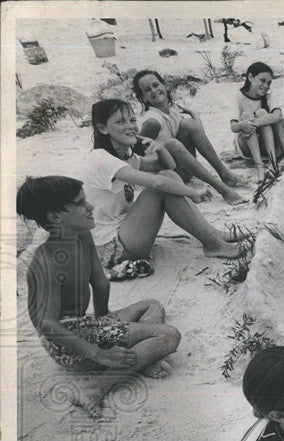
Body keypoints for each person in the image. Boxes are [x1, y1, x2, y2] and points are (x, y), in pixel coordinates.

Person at [16, 176, 181, 418]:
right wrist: (99, 352)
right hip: (68, 345)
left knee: (151, 305)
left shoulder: (81, 234)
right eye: (81, 203)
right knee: (169, 336)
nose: (90, 207)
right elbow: (47, 324)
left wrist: (106, 320)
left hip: (86, 323)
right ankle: (96, 387)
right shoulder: (48, 259)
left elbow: (100, 283)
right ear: (55, 217)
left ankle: (140, 356)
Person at [82, 99, 247, 276]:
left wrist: (160, 149)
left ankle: (211, 235)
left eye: (132, 120)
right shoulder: (101, 159)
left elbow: (167, 167)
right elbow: (157, 183)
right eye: (120, 122)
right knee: (162, 187)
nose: (131, 126)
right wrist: (193, 193)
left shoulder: (124, 156)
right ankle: (213, 244)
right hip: (112, 248)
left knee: (168, 177)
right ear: (103, 129)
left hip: (125, 231)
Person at [133, 69, 247, 205]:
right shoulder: (153, 121)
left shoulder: (172, 110)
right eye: (147, 90)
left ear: (164, 85)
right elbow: (136, 152)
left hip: (184, 169)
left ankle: (224, 174)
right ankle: (222, 189)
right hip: (167, 174)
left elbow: (198, 134)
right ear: (143, 98)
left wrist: (195, 114)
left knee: (187, 123)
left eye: (156, 85)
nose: (154, 91)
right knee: (171, 144)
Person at [230, 62, 284, 181]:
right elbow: (233, 127)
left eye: (269, 82)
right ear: (250, 77)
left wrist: (255, 123)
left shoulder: (269, 96)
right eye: (262, 80)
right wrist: (243, 124)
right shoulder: (238, 96)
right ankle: (259, 166)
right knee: (246, 115)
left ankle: (272, 161)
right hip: (247, 146)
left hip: (267, 145)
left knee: (263, 113)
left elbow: (278, 116)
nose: (266, 85)